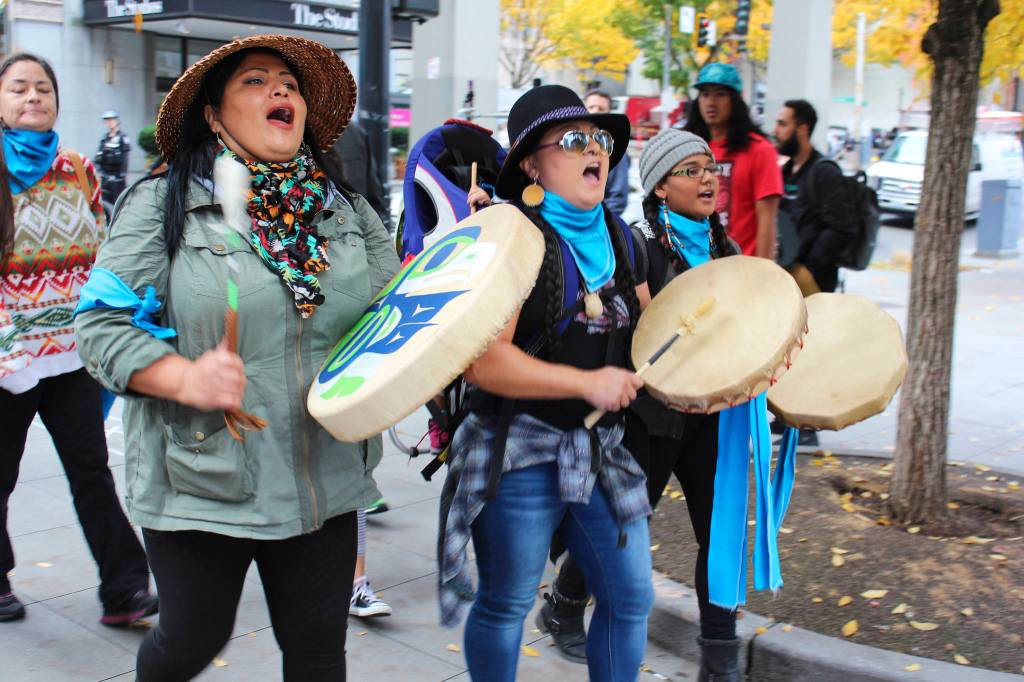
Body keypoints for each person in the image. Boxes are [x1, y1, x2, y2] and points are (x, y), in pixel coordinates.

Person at [74, 35, 400, 680]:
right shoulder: (161, 204)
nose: (280, 90)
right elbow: (100, 325)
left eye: (290, 84)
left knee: (317, 654)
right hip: (205, 474)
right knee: (191, 642)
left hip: (324, 475)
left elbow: (396, 319)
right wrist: (183, 377)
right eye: (255, 80)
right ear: (214, 115)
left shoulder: (348, 213)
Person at [445, 84, 654, 682]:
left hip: (598, 450)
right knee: (506, 603)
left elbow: (658, 336)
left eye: (599, 139)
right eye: (571, 140)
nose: (593, 149)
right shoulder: (511, 238)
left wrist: (726, 368)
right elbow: (485, 364)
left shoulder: (624, 240)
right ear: (532, 167)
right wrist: (586, 384)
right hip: (517, 450)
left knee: (630, 597)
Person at [538, 129, 745, 680]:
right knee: (623, 527)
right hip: (650, 418)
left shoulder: (726, 249)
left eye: (711, 169)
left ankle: (720, 658)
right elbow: (632, 331)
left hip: (713, 418)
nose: (707, 179)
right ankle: (563, 604)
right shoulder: (636, 246)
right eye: (691, 170)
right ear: (659, 187)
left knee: (719, 531)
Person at [0, 53, 156, 626]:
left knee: (91, 470)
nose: (33, 97)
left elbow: (102, 252)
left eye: (43, 88)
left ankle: (125, 589)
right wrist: (10, 353)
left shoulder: (78, 168)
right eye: (19, 88)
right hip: (9, 359)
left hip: (71, 354)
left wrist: (123, 313)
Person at [683, 63, 781, 259]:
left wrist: (762, 271)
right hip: (694, 267)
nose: (711, 102)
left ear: (735, 100)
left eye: (720, 94)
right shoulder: (688, 148)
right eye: (705, 94)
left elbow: (767, 222)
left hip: (741, 269)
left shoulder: (760, 150)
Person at [773, 99, 858, 295]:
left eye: (783, 124)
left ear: (802, 129)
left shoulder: (824, 172)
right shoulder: (787, 171)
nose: (775, 131)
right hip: (786, 276)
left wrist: (809, 268)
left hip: (813, 281)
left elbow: (843, 228)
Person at [323, 119, 390, 230]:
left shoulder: (356, 133)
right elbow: (375, 195)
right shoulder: (356, 132)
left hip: (350, 230)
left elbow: (374, 194)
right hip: (352, 230)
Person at [584, 90, 630, 219]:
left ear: (608, 112)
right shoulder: (574, 144)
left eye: (601, 108)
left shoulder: (615, 150)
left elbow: (618, 198)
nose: (595, 111)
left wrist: (597, 222)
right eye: (591, 107)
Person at [95, 110, 131, 205]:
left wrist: (123, 175)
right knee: (105, 204)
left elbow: (125, 158)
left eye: (112, 120)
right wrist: (98, 172)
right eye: (107, 120)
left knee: (117, 204)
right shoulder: (104, 138)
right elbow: (98, 157)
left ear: (117, 121)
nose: (109, 122)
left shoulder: (123, 138)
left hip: (117, 178)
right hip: (105, 178)